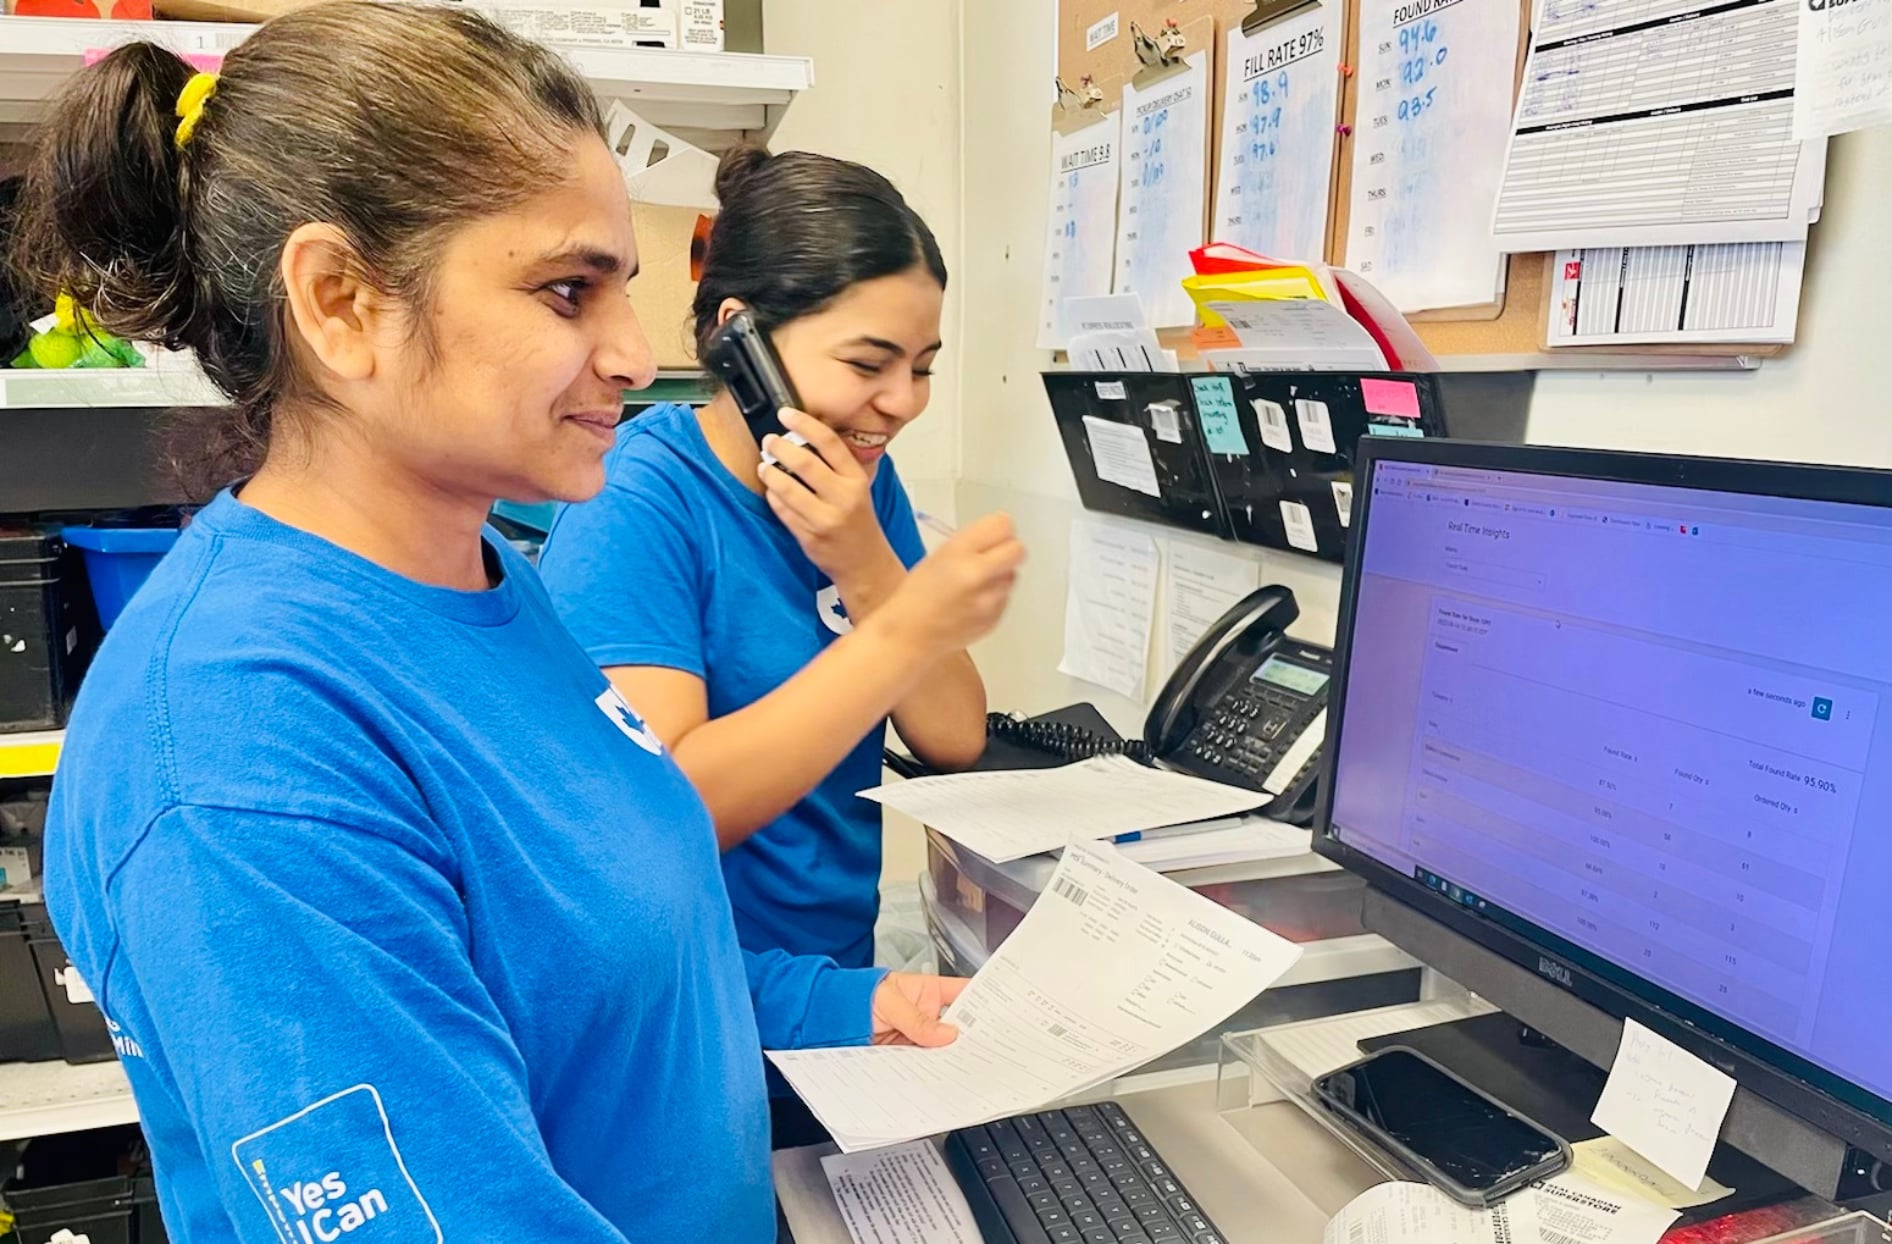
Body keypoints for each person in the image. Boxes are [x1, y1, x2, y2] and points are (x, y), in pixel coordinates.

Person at [17, 7, 971, 1241]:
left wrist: (842, 1005)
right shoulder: (239, 754)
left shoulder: (489, 581)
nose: (632, 353)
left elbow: (593, 958)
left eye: (622, 289)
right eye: (567, 290)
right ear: (341, 299)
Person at [535, 149, 1023, 1141]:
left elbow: (953, 733)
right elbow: (675, 803)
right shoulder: (639, 504)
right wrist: (907, 620)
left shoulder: (853, 482)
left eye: (922, 368)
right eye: (867, 363)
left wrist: (862, 559)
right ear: (738, 339)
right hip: (708, 1018)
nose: (901, 402)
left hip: (835, 996)